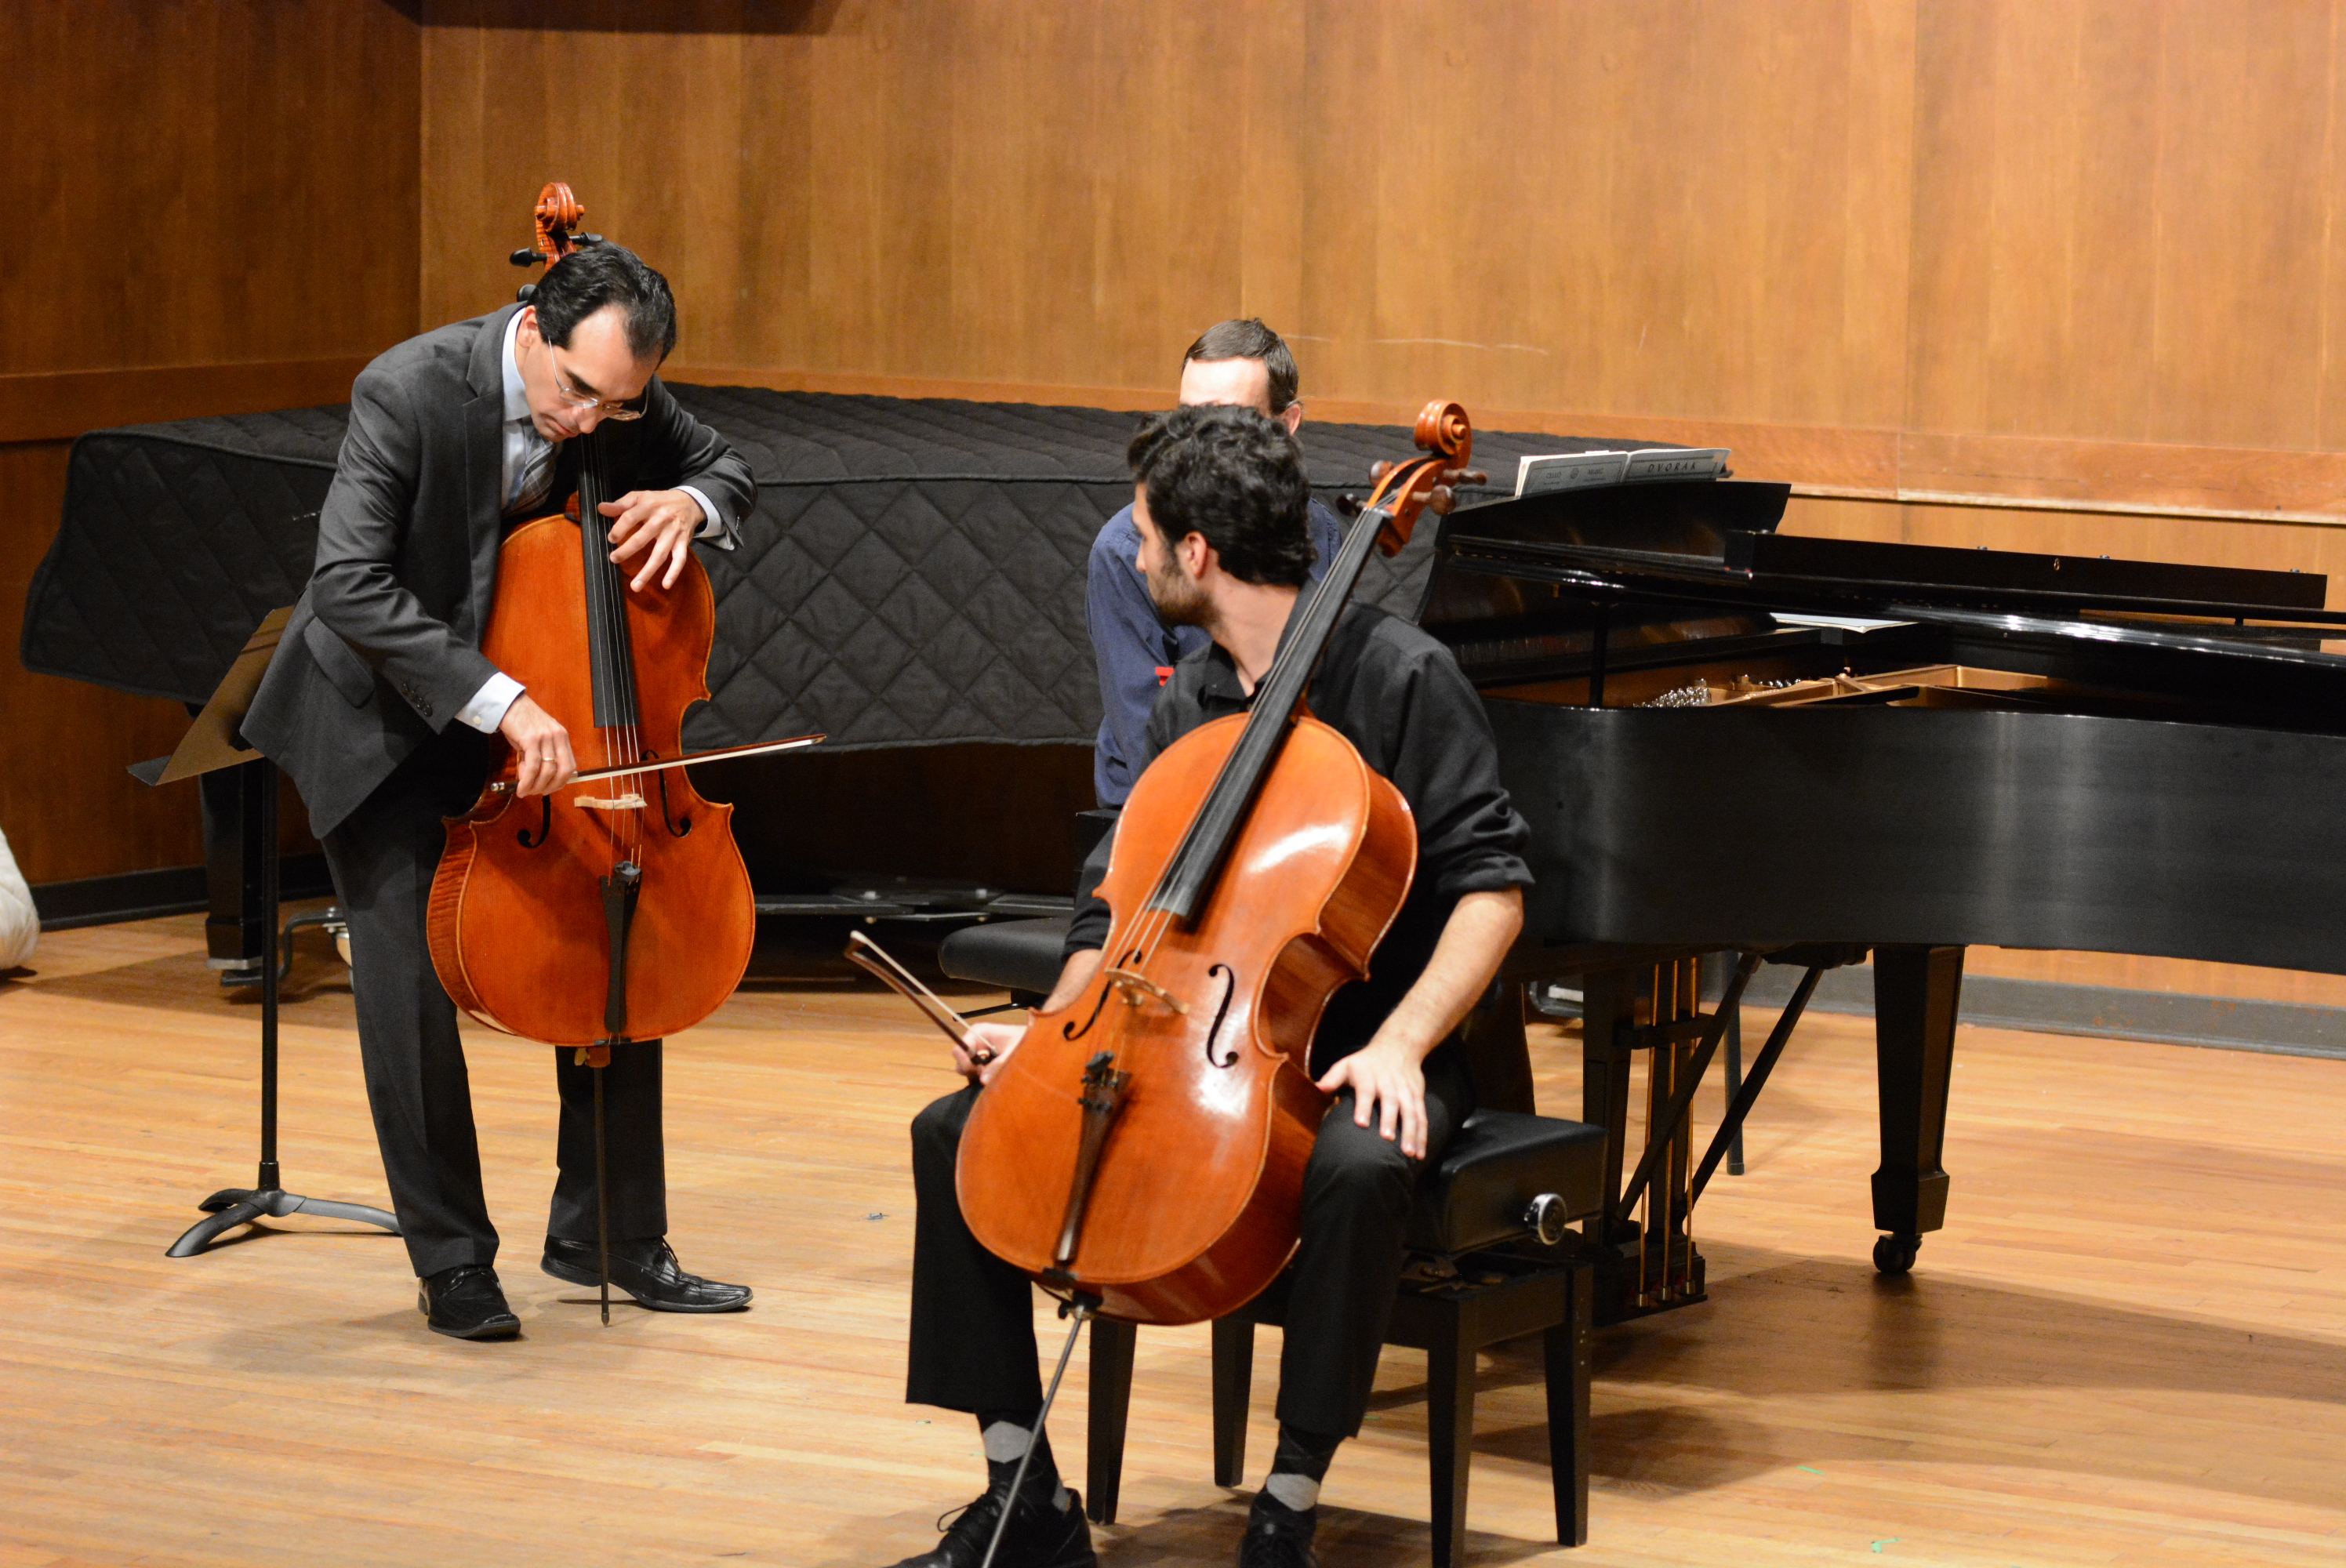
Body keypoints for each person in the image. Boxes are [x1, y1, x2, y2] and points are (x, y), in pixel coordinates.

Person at [892, 405, 1532, 1568]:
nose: (1135, 558)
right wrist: (1049, 1031)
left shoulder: (1403, 677)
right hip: (1182, 1037)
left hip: (1371, 1045)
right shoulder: (1192, 696)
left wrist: (1400, 1044)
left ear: (1198, 552)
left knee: (1356, 1167)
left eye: (1146, 537)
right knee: (955, 1131)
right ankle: (1021, 1488)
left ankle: (1288, 1501)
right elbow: (1114, 906)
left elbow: (1493, 891)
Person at [242, 243, 757, 1341]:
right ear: (533, 327)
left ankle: (610, 1236)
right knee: (410, 988)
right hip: (384, 718)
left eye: (618, 405)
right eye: (576, 393)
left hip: (539, 720)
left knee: (616, 922)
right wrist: (501, 700)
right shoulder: (409, 388)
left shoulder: (614, 388)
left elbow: (725, 466)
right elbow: (348, 582)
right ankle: (453, 1261)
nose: (588, 424)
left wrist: (688, 501)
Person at [1087, 318, 1346, 807]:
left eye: (1227, 421)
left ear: (1286, 426)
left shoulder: (1315, 526)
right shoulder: (1126, 549)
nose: (1196, 444)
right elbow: (1149, 743)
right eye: (1187, 418)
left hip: (1285, 786)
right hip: (1158, 799)